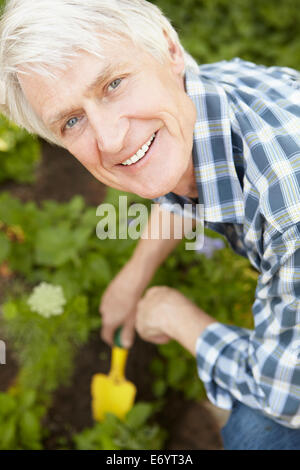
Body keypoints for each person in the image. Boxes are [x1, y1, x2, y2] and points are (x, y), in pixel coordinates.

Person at [0, 0, 300, 450]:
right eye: (71, 121)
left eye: (113, 84)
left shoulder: (288, 207)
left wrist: (177, 317)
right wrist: (133, 277)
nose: (110, 139)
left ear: (169, 48)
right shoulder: (195, 97)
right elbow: (176, 176)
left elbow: (286, 395)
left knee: (254, 434)